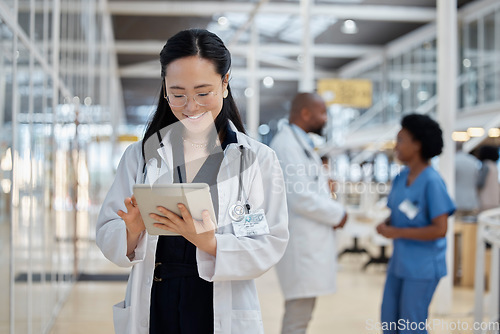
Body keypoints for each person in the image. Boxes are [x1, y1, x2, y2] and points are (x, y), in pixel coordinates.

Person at [96, 29, 289, 334]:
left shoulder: (258, 159)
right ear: (164, 89)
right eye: (177, 93)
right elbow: (107, 231)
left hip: (216, 303)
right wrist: (131, 232)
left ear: (225, 83)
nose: (190, 106)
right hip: (156, 301)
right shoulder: (140, 156)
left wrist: (209, 242)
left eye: (203, 93)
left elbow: (270, 243)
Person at [270, 92, 348, 334]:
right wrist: (339, 214)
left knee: (301, 316)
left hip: (308, 243)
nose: (325, 118)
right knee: (297, 318)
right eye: (322, 112)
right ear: (305, 113)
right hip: (301, 247)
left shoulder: (299, 143)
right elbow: (300, 198)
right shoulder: (286, 145)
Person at [376, 114, 455, 334]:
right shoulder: (401, 178)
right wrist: (386, 225)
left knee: (411, 326)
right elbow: (398, 214)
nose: (396, 146)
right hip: (399, 263)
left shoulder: (432, 181)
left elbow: (440, 229)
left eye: (401, 140)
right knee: (389, 322)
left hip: (423, 267)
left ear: (417, 145)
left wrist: (396, 231)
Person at [454, 141, 480, 218]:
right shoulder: (473, 160)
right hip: (472, 200)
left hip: (457, 200)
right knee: (470, 227)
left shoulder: (453, 160)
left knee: (457, 227)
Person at [477, 145, 500, 211]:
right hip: (495, 199)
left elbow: (480, 183)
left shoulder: (485, 165)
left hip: (486, 199)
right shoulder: (494, 166)